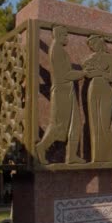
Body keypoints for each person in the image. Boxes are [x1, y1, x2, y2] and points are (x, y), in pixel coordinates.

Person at [35, 26, 85, 165]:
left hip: (68, 91)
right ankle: (42, 147)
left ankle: (71, 156)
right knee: (58, 125)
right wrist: (84, 73)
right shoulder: (56, 50)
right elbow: (65, 74)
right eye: (65, 35)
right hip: (62, 92)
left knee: (75, 124)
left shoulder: (60, 50)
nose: (67, 38)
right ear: (58, 35)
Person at [83, 35, 112, 162]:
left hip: (105, 90)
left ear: (100, 43)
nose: (93, 47)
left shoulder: (109, 58)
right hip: (93, 89)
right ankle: (97, 156)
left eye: (94, 43)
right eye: (91, 45)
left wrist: (99, 72)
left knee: (105, 123)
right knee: (95, 123)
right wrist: (97, 72)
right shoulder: (90, 59)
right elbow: (87, 72)